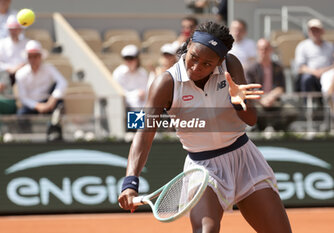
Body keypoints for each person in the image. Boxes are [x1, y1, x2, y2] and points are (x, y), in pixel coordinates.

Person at [118, 21, 292, 233]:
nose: (196, 67)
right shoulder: (165, 83)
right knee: (205, 230)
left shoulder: (231, 65)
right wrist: (130, 182)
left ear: (220, 61)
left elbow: (251, 119)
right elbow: (144, 133)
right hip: (203, 168)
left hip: (244, 158)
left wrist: (237, 101)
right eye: (193, 57)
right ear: (189, 44)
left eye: (207, 64)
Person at [246, 38, 296, 131]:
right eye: (261, 49)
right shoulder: (251, 69)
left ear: (270, 50)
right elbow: (249, 89)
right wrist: (262, 99)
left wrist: (270, 98)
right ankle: (261, 129)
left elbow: (281, 87)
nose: (263, 51)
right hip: (258, 102)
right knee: (251, 111)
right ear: (257, 50)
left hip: (275, 101)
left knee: (291, 112)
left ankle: (276, 128)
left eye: (266, 48)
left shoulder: (278, 67)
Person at [15, 40, 67, 116]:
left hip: (47, 101)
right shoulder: (20, 74)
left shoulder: (49, 68)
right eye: (30, 56)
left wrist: (52, 100)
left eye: (35, 56)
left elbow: (62, 82)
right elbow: (23, 98)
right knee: (21, 115)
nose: (33, 60)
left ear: (40, 56)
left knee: (59, 104)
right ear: (27, 58)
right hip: (31, 105)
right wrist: (37, 106)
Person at [294, 18, 334, 93]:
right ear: (309, 32)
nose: (314, 33)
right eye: (312, 30)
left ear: (322, 31)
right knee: (306, 79)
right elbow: (301, 67)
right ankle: (306, 103)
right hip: (310, 75)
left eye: (317, 30)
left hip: (327, 75)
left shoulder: (330, 46)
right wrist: (315, 72)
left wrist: (323, 71)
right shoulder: (302, 46)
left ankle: (329, 103)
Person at [0, 15, 28, 85]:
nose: (13, 31)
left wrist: (20, 67)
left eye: (16, 29)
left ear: (20, 29)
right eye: (11, 29)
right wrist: (9, 69)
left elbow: (31, 60)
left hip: (24, 75)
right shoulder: (1, 43)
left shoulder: (27, 43)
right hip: (5, 75)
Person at [113, 44, 148, 109]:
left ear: (137, 59)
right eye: (126, 58)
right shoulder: (118, 73)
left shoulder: (143, 73)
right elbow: (119, 93)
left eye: (131, 58)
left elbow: (144, 93)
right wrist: (136, 94)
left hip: (141, 105)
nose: (129, 61)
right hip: (123, 106)